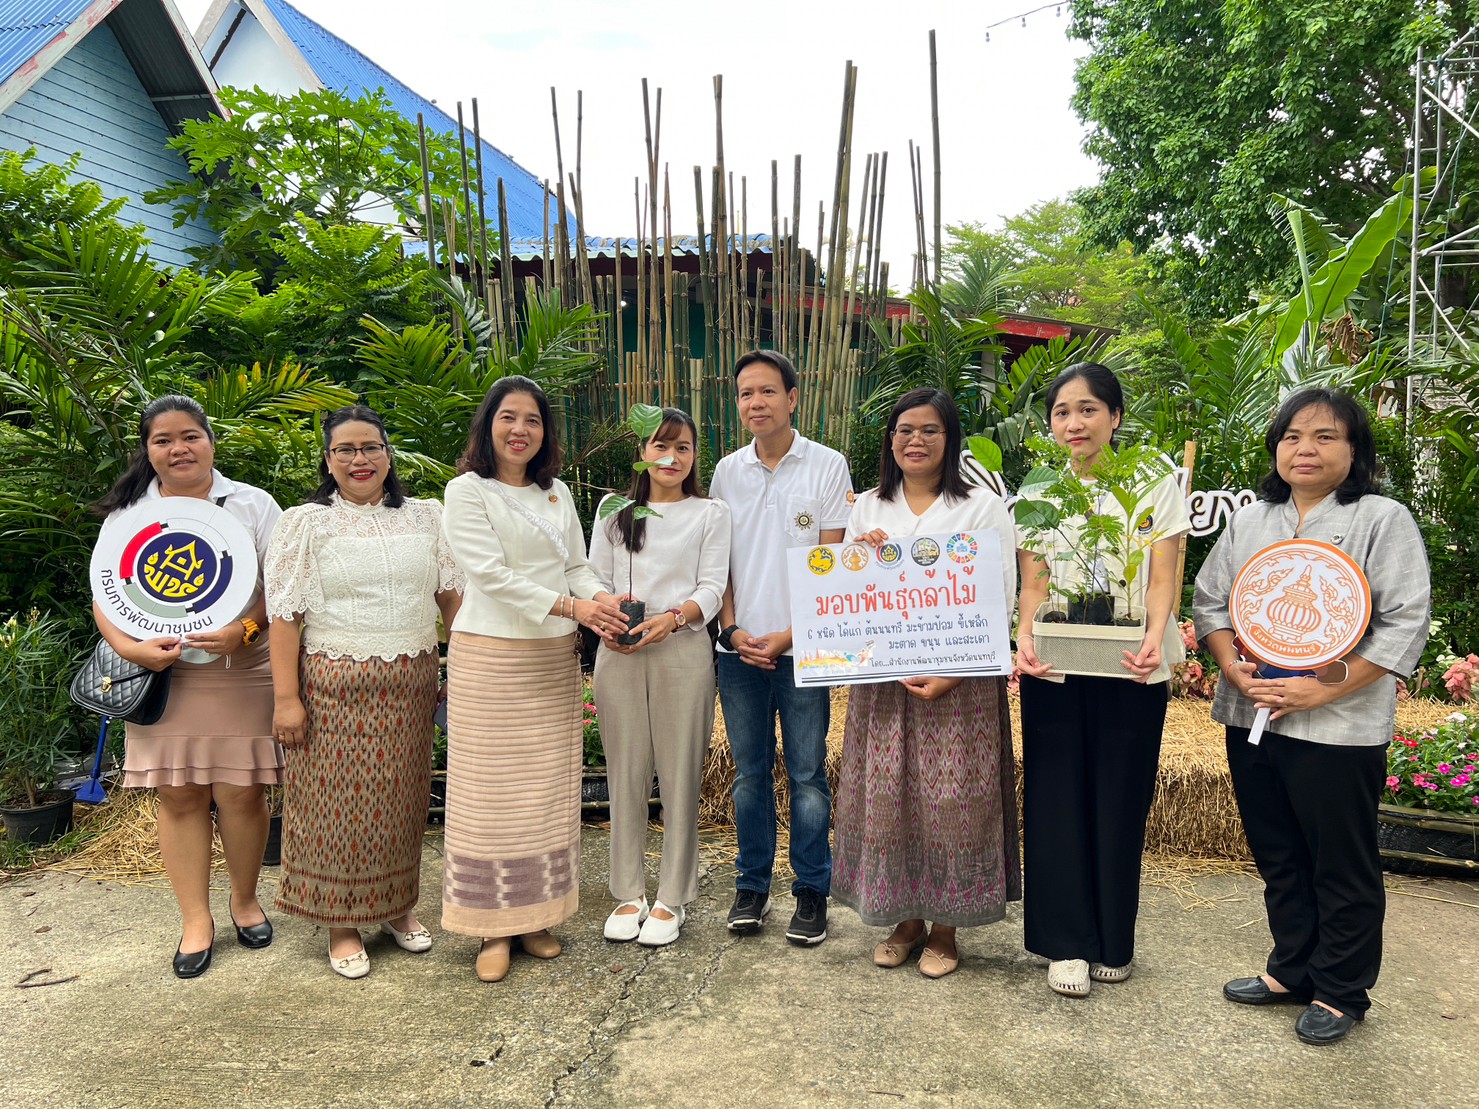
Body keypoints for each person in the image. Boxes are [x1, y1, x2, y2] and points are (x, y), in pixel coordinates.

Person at [1194, 388, 1429, 1046]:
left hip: (1337, 727)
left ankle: (1340, 988)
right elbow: (1210, 602)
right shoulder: (1252, 520)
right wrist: (1229, 664)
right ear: (1276, 447)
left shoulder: (1381, 519)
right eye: (1293, 435)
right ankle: (1291, 968)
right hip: (1252, 714)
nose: (1305, 448)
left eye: (1325, 436)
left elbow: (1403, 621)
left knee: (1339, 860)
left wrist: (1321, 688)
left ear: (1354, 451)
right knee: (1277, 851)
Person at [439, 376, 628, 983]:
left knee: (545, 791)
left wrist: (604, 600)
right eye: (509, 417)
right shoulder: (467, 491)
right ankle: (491, 926)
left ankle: (536, 916)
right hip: (491, 655)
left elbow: (576, 566)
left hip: (551, 658)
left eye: (533, 420)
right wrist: (577, 608)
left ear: (545, 432)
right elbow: (489, 575)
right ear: (488, 425)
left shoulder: (557, 492)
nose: (520, 430)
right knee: (490, 795)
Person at [264, 406, 463, 979]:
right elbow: (285, 617)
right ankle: (343, 923)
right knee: (335, 808)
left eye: (371, 447)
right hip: (332, 688)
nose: (360, 459)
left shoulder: (427, 516)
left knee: (401, 803)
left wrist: (465, 666)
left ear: (388, 454)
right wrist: (286, 699)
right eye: (345, 450)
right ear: (327, 460)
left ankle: (397, 907)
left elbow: (452, 599)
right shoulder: (305, 523)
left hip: (412, 684)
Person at [89, 395, 283, 979]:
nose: (179, 449)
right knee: (178, 795)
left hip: (242, 669)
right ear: (147, 451)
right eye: (163, 440)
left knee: (243, 792)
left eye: (190, 436)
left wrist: (245, 630)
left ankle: (245, 902)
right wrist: (129, 649)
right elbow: (105, 594)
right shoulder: (130, 515)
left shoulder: (252, 504)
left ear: (210, 441)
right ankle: (196, 921)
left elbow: (283, 586)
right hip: (162, 674)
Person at [831, 388, 1021, 978]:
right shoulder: (868, 506)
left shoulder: (982, 508)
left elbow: (1000, 597)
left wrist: (952, 674)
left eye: (930, 430)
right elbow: (847, 596)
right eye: (905, 430)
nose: (916, 440)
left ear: (950, 439)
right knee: (890, 802)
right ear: (890, 439)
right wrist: (859, 558)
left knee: (953, 803)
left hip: (959, 684)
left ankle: (946, 928)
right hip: (885, 684)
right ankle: (906, 919)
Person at [1014, 363, 1190, 998]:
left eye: (1088, 409)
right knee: (1056, 795)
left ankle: (1113, 939)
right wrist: (1025, 639)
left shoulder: (1153, 481)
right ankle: (1065, 943)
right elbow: (1034, 581)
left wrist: (1154, 635)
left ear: (1115, 417)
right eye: (1062, 412)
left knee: (1121, 794)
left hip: (1130, 660)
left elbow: (1164, 574)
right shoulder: (1040, 487)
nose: (1074, 423)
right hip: (1057, 662)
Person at [710, 349, 853, 945]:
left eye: (768, 391)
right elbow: (716, 561)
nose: (756, 403)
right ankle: (752, 886)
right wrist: (732, 630)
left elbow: (833, 563)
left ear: (793, 398)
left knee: (808, 774)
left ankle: (812, 889)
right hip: (738, 654)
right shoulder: (726, 471)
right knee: (749, 774)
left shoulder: (827, 465)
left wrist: (791, 635)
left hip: (805, 650)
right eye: (746, 393)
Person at [589, 408, 731, 947]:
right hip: (619, 649)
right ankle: (628, 892)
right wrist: (607, 613)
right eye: (660, 446)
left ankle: (673, 895)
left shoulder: (710, 513)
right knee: (625, 771)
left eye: (683, 448)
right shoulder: (614, 509)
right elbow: (593, 576)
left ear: (695, 455)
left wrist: (673, 618)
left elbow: (713, 586)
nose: (671, 458)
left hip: (683, 648)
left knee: (679, 774)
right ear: (642, 452)